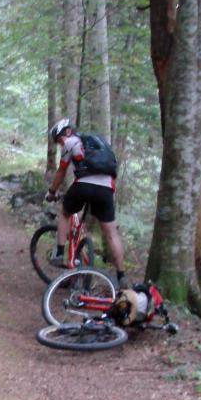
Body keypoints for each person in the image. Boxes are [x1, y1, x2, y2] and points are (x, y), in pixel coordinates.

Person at [46, 118, 129, 289]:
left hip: (84, 185)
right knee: (112, 234)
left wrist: (52, 192)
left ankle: (59, 253)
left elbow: (61, 172)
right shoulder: (100, 145)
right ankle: (122, 276)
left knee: (64, 213)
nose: (61, 143)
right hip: (106, 189)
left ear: (68, 132)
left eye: (60, 139)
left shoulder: (71, 142)